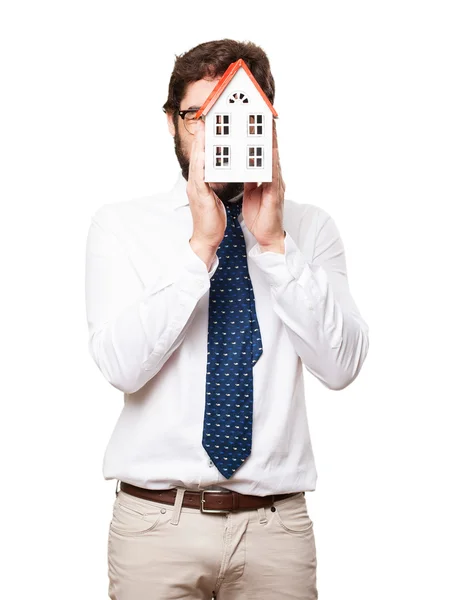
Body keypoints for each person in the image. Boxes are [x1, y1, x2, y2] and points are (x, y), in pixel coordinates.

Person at [84, 38, 369, 600]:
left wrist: (274, 247)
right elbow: (121, 367)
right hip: (155, 527)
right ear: (173, 124)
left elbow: (341, 366)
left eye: (239, 116)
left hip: (276, 530)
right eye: (199, 116)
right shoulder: (120, 226)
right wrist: (200, 248)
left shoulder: (310, 231)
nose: (219, 134)